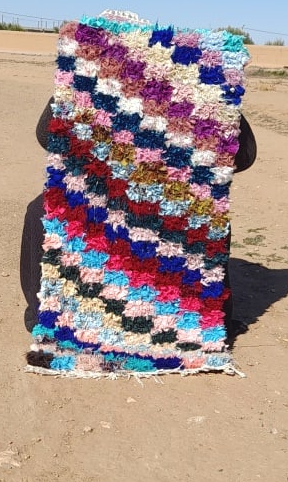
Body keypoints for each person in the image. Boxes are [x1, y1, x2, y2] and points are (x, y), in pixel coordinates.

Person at [19, 100, 257, 338]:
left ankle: (197, 318)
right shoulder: (95, 79)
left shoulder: (201, 86)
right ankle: (52, 312)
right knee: (46, 209)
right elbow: (245, 157)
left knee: (205, 214)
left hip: (167, 197)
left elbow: (240, 156)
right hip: (113, 192)